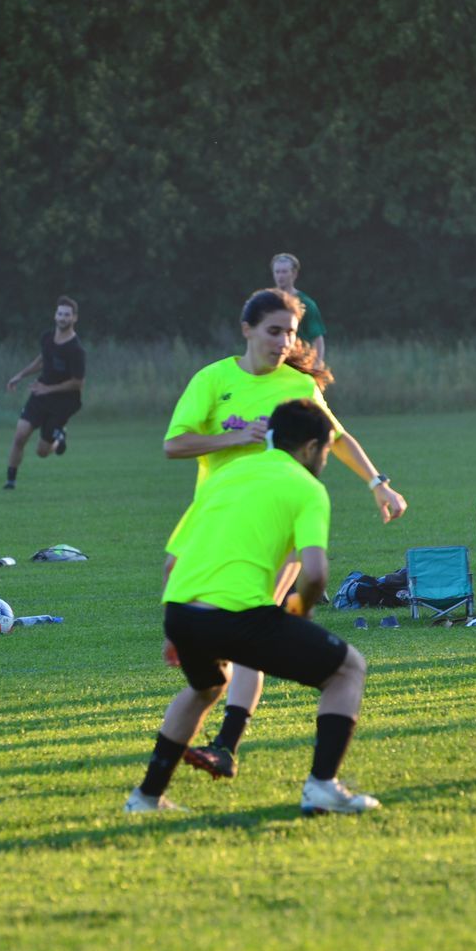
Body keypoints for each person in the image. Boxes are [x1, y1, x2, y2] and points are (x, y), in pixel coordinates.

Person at [164, 289, 405, 781]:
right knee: (232, 645)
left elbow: (336, 437)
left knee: (253, 628)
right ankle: (208, 751)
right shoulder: (213, 380)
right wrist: (235, 436)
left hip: (275, 532)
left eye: (290, 333)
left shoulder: (297, 385)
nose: (283, 342)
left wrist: (378, 483)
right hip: (217, 526)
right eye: (274, 331)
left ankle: (225, 745)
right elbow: (175, 444)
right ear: (247, 329)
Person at [129, 399, 378, 816]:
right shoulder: (306, 488)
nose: (325, 461)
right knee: (348, 669)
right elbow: (315, 573)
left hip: (182, 610)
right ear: (312, 447)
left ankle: (145, 799)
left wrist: (176, 631)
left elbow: (172, 561)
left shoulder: (225, 476)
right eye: (325, 452)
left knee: (206, 687)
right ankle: (322, 786)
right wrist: (302, 606)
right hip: (238, 616)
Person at [2, 296, 85, 489]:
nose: (62, 318)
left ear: (74, 318)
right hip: (40, 396)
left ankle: (58, 439)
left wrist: (49, 389)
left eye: (67, 315)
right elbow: (41, 361)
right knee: (20, 436)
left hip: (62, 403)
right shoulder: (47, 338)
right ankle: (10, 482)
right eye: (60, 313)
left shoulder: (76, 350)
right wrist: (20, 375)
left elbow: (78, 383)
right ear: (55, 315)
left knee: (42, 452)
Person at [270, 253, 327, 368]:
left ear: (294, 274)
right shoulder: (267, 302)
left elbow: (317, 339)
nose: (280, 276)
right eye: (277, 272)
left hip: (298, 364)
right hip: (272, 364)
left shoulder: (306, 303)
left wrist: (316, 366)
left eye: (284, 272)